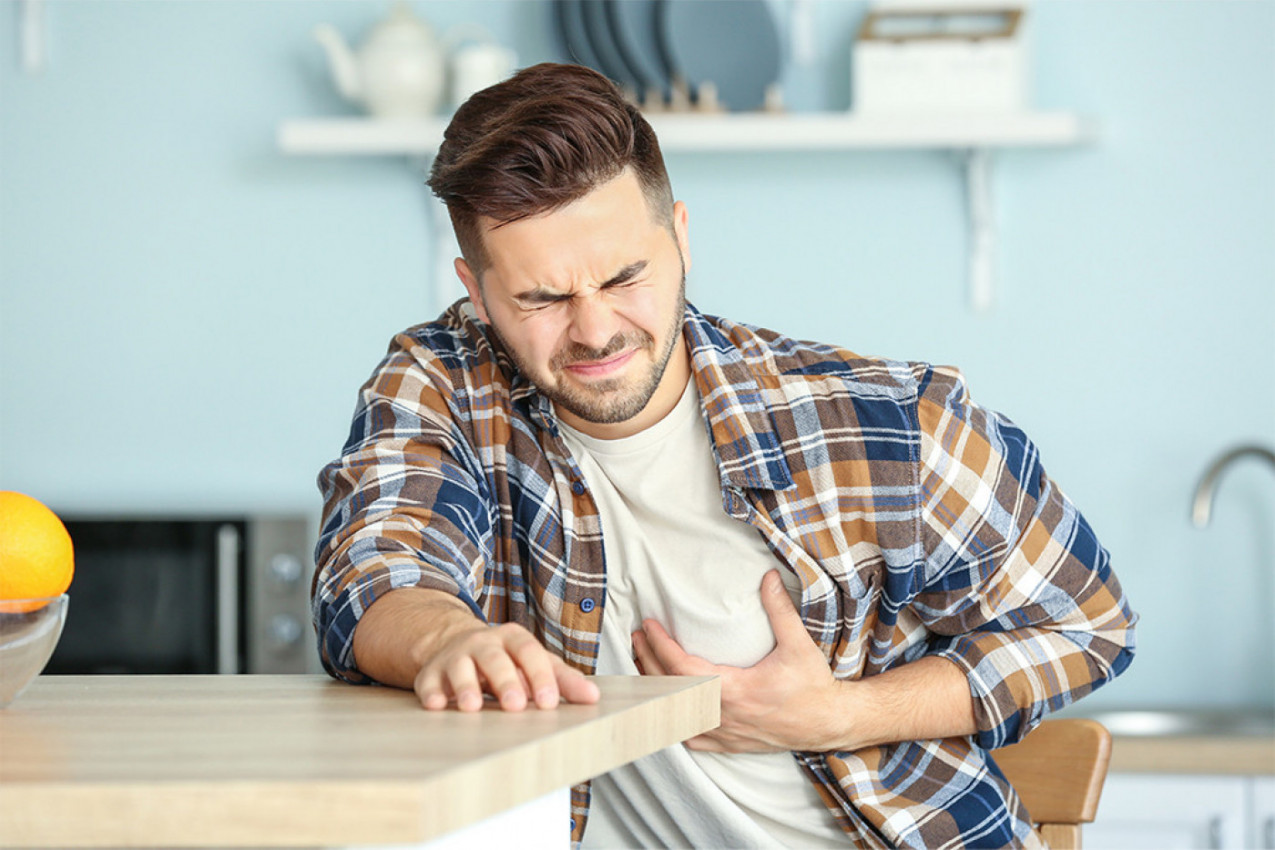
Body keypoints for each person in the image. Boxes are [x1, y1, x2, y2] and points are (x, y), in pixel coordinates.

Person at [313, 62, 1137, 849]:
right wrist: (445, 641)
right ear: (477, 288)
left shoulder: (884, 421)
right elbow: (376, 565)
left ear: (679, 235)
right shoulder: (443, 382)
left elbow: (1084, 623)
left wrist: (841, 715)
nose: (595, 329)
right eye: (542, 297)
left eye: (625, 276)